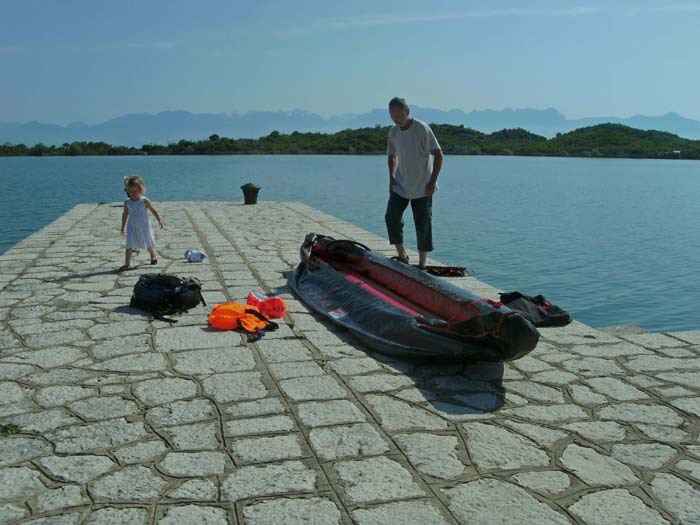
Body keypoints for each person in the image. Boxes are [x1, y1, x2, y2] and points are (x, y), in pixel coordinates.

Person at [385, 97, 443, 269]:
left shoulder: (422, 129)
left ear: (407, 111)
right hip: (400, 185)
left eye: (399, 116)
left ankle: (422, 263)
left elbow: (439, 155)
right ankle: (402, 253)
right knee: (391, 217)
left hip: (423, 186)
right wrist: (392, 177)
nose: (397, 120)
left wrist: (432, 182)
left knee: (423, 223)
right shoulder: (393, 132)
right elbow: (392, 156)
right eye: (393, 117)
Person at [119, 175, 164, 271]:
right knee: (129, 244)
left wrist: (159, 220)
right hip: (132, 226)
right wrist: (122, 227)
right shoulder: (127, 202)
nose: (133, 194)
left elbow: (153, 210)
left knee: (147, 242)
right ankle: (127, 263)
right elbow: (125, 214)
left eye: (135, 192)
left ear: (141, 190)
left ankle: (153, 256)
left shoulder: (144, 200)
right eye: (130, 192)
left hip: (144, 226)